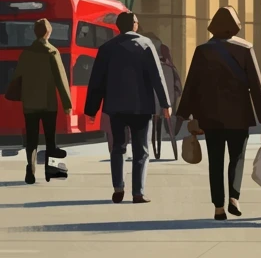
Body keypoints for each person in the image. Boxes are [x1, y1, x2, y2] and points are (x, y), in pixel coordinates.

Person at [176, 6, 261, 220]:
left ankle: (218, 207)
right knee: (237, 157)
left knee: (215, 160)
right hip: (239, 115)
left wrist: (184, 116)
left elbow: (192, 86)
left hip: (211, 116)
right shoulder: (245, 49)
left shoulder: (202, 51)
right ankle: (234, 197)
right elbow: (256, 86)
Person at [84, 12, 170, 204]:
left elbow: (97, 80)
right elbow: (158, 77)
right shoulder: (147, 45)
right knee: (141, 150)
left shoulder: (107, 48)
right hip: (142, 107)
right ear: (135, 25)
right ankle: (138, 192)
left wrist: (91, 109)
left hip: (115, 106)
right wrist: (165, 104)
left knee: (118, 148)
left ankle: (118, 188)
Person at [8, 18, 72, 184]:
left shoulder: (26, 53)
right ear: (48, 32)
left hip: (30, 103)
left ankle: (30, 168)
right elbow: (61, 80)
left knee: (31, 138)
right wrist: (67, 104)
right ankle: (52, 171)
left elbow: (17, 77)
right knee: (50, 139)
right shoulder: (52, 52)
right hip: (48, 103)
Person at [152, 44, 183, 160]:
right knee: (170, 128)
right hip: (169, 103)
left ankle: (157, 151)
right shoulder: (171, 67)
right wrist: (173, 99)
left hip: (155, 103)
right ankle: (174, 152)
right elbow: (178, 87)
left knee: (156, 127)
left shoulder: (152, 67)